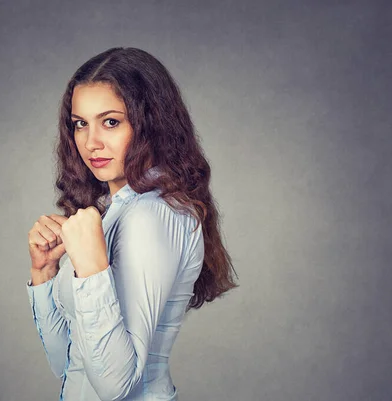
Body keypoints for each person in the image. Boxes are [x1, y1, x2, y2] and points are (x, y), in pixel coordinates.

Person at [26, 47, 237, 401]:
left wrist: (92, 269)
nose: (91, 143)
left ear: (152, 122)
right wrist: (45, 273)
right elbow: (69, 365)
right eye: (81, 124)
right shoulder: (116, 209)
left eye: (111, 121)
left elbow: (114, 386)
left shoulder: (151, 215)